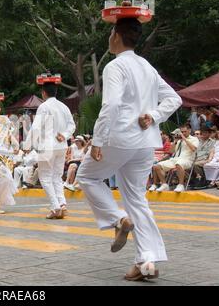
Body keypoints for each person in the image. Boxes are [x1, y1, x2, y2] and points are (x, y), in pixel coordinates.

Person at [76, 17, 182, 281]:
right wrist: (154, 115)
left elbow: (110, 106)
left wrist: (97, 141)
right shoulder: (147, 66)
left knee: (87, 176)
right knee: (137, 199)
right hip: (145, 141)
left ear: (116, 36)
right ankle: (146, 262)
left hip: (120, 138)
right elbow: (174, 98)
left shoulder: (116, 66)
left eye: (111, 32)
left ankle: (118, 220)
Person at [24, 72, 76, 219]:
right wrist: (65, 135)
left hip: (47, 147)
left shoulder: (44, 107)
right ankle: (62, 204)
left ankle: (55, 207)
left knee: (45, 177)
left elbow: (35, 128)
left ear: (43, 93)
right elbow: (72, 126)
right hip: (61, 145)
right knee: (57, 177)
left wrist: (27, 144)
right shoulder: (64, 107)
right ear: (56, 91)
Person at [152, 124, 199, 193]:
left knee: (178, 164)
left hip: (187, 160)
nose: (183, 133)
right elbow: (171, 151)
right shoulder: (179, 140)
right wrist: (175, 142)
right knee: (156, 166)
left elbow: (193, 149)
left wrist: (184, 139)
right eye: (181, 132)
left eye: (184, 132)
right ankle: (164, 184)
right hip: (175, 159)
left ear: (189, 130)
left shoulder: (194, 139)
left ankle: (181, 185)